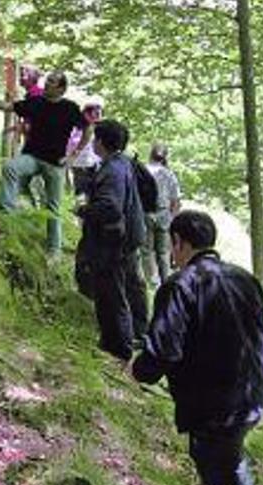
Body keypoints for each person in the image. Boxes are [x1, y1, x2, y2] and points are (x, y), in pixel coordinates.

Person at [132, 210, 263, 485]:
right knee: (229, 465)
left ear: (177, 241)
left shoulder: (181, 284)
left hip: (214, 408)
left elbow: (163, 350)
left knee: (222, 477)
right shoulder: (246, 279)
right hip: (252, 395)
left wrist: (139, 369)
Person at [0, 70, 91, 254]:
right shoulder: (36, 102)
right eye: (47, 80)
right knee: (10, 167)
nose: (46, 84)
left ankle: (54, 250)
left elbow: (87, 129)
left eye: (52, 82)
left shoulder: (70, 108)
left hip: (55, 164)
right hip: (32, 157)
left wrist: (73, 155)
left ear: (61, 88)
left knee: (52, 207)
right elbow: (8, 107)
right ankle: (5, 216)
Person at [75, 119, 146, 361]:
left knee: (111, 293)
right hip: (127, 236)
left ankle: (118, 348)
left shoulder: (113, 170)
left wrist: (83, 210)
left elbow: (110, 207)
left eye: (95, 138)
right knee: (125, 289)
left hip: (114, 241)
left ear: (102, 142)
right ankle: (128, 338)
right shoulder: (122, 164)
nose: (93, 142)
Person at [142, 144, 182, 287]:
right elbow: (175, 200)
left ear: (151, 154)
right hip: (164, 214)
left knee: (146, 250)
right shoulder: (169, 174)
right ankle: (165, 281)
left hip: (145, 213)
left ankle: (149, 280)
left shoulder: (143, 171)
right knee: (163, 252)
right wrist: (174, 219)